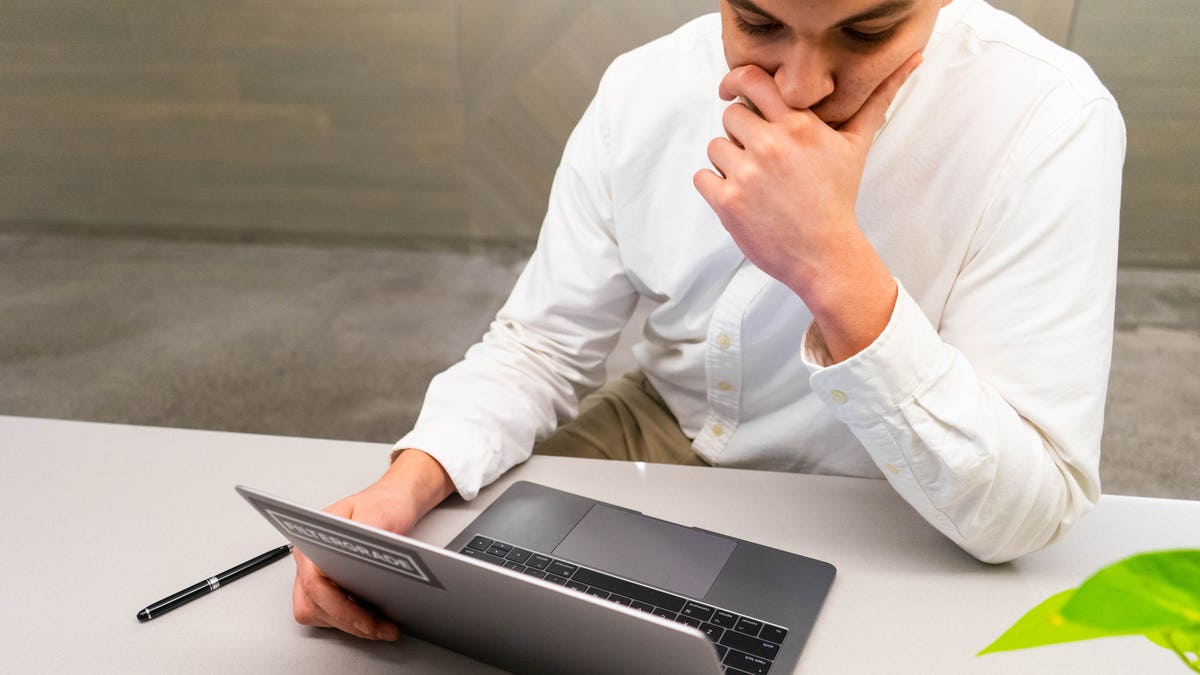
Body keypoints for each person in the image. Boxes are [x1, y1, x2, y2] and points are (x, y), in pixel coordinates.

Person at [293, 0, 1125, 641]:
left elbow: (1027, 509)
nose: (800, 88)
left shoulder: (1049, 120)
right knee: (448, 596)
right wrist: (410, 481)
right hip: (661, 422)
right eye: (758, 21)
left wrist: (833, 265)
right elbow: (543, 347)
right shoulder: (641, 89)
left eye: (866, 31)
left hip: (885, 487)